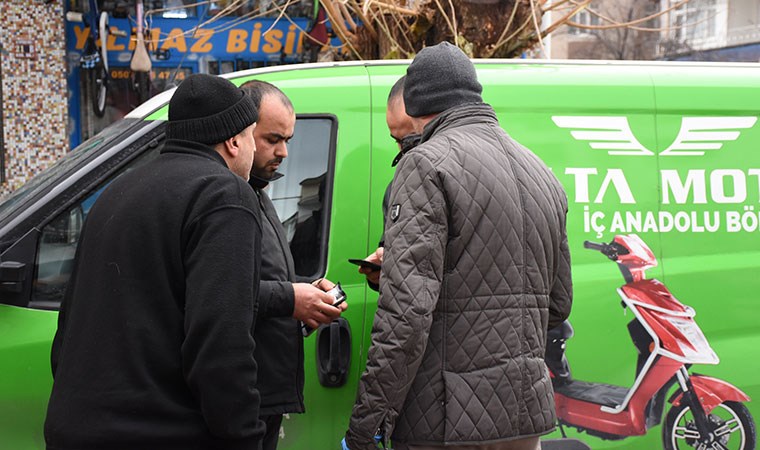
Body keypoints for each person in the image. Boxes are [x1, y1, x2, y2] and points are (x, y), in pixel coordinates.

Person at [344, 42, 573, 450]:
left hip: (446, 418)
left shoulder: (425, 163)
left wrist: (366, 426)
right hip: (525, 415)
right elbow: (557, 305)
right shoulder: (542, 172)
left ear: (414, 104)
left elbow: (407, 315)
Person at [45, 73, 266, 449]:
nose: (254, 150)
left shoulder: (119, 191)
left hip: (73, 428)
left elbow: (68, 328)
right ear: (233, 140)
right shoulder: (224, 194)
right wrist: (244, 437)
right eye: (253, 137)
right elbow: (220, 343)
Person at [240, 79, 348, 450]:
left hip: (265, 393)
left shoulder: (259, 193)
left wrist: (306, 304)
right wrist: (290, 299)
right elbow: (219, 291)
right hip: (243, 396)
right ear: (240, 132)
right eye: (273, 139)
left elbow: (264, 281)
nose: (284, 152)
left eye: (288, 140)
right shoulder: (226, 199)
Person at [359, 75, 420, 289]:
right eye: (398, 140)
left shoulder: (458, 178)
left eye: (413, 140)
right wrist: (379, 274)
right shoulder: (396, 188)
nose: (403, 150)